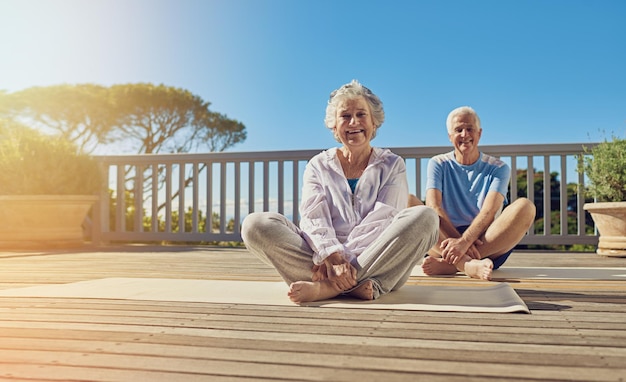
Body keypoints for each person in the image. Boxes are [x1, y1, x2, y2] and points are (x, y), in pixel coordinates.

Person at [241, 80, 439, 303]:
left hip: (374, 255)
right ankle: (361, 284)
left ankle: (327, 288)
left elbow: (383, 219)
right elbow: (313, 218)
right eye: (345, 116)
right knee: (255, 225)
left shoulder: (393, 164)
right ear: (334, 126)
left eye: (361, 114)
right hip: (326, 259)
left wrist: (346, 265)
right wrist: (333, 258)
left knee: (426, 217)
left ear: (374, 122)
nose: (354, 122)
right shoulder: (318, 165)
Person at [415, 106, 536, 280]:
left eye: (470, 129)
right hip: (443, 240)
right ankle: (467, 264)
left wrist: (464, 243)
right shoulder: (438, 163)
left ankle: (453, 265)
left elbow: (489, 211)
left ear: (479, 133)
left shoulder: (498, 168)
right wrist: (458, 245)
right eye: (458, 130)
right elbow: (434, 206)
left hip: (487, 243)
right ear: (450, 137)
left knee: (526, 206)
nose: (465, 134)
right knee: (409, 202)